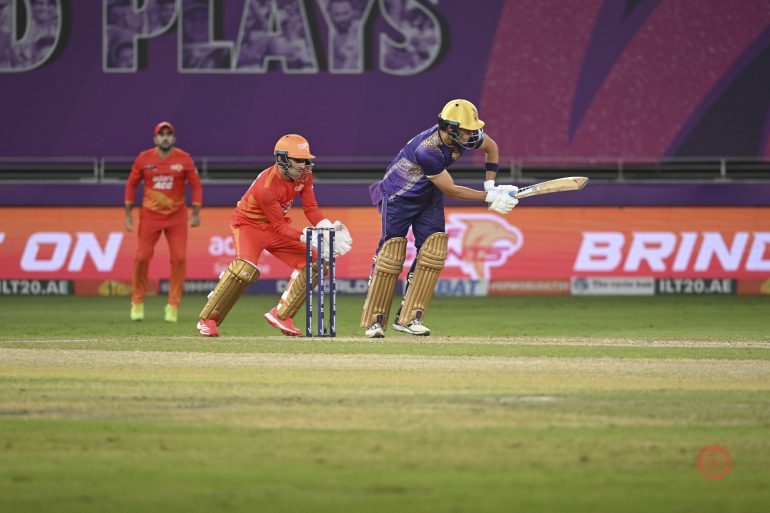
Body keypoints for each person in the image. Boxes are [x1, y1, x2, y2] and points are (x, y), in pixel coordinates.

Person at [361, 99, 518, 338]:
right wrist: (489, 198)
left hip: (428, 195)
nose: (473, 134)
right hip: (399, 196)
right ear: (451, 129)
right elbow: (452, 190)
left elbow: (492, 148)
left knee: (433, 251)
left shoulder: (466, 136)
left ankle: (410, 317)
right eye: (467, 130)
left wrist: (491, 185)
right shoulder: (428, 150)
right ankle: (375, 320)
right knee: (390, 254)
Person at [196, 134, 353, 338]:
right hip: (248, 226)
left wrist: (325, 228)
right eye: (298, 160)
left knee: (316, 262)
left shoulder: (304, 175)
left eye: (306, 160)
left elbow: (311, 208)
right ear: (282, 159)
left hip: (274, 227)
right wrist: (306, 236)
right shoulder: (266, 187)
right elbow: (279, 226)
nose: (304, 165)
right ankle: (208, 319)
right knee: (244, 270)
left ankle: (282, 315)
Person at [124, 122, 203, 323]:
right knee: (141, 257)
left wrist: (195, 211)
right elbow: (131, 184)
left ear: (173, 138)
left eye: (169, 134)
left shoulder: (183, 158)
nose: (165, 137)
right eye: (162, 134)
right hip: (150, 216)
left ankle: (173, 305)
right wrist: (128, 212)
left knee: (179, 258)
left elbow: (196, 185)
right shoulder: (144, 158)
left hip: (176, 217)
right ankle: (137, 302)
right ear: (155, 139)